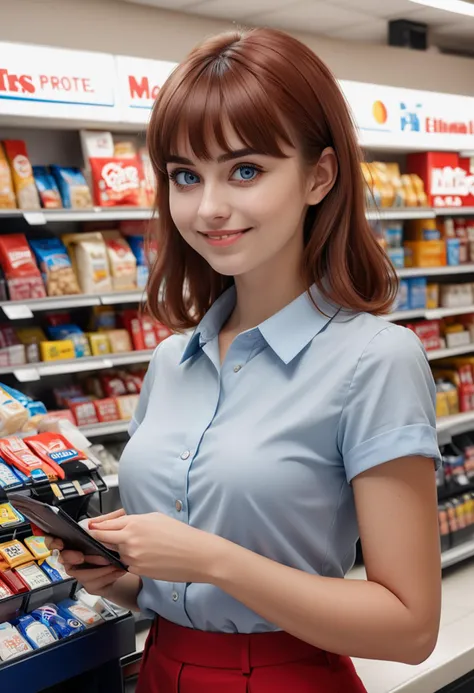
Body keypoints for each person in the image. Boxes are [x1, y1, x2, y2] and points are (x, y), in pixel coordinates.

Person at [46, 27, 442, 693]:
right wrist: (130, 579)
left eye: (246, 170)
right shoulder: (172, 359)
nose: (209, 207)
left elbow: (409, 626)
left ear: (319, 175)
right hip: (161, 669)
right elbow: (184, 581)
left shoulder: (375, 360)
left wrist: (211, 558)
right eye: (184, 176)